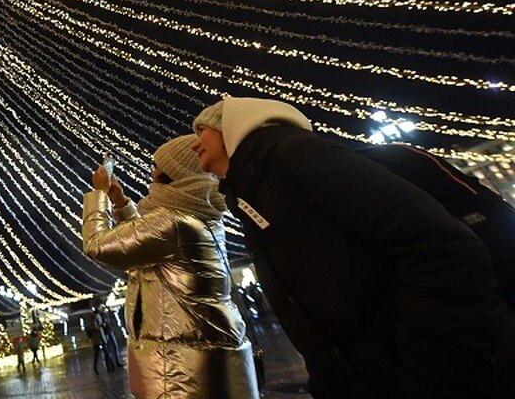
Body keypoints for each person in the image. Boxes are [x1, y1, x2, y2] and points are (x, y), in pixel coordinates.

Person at [192, 96, 515, 399]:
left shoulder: (292, 156)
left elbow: (442, 246)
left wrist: (427, 367)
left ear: (230, 127)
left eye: (202, 130)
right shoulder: (250, 194)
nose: (195, 142)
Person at [83, 135, 260, 399]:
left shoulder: (172, 222)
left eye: (158, 167)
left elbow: (97, 246)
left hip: (181, 371)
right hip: (208, 360)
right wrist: (120, 202)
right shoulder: (199, 216)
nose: (152, 175)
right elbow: (150, 244)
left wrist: (99, 195)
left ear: (174, 171)